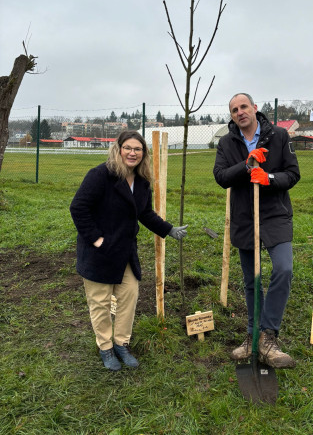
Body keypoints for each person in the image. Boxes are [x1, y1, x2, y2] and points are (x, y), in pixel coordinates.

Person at [70, 130, 187, 371]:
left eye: (138, 149)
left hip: (125, 252)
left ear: (143, 154)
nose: (133, 153)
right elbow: (78, 207)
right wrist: (96, 240)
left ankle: (121, 343)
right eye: (128, 148)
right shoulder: (101, 175)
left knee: (128, 298)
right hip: (99, 253)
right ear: (119, 149)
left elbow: (144, 213)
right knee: (100, 303)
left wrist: (169, 229)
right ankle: (105, 347)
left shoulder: (142, 181)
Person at [213, 93, 300, 368]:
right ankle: (252, 336)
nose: (240, 112)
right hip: (244, 217)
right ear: (232, 115)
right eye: (234, 109)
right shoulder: (227, 143)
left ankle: (268, 335)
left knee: (283, 269)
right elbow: (221, 177)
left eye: (244, 107)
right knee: (252, 281)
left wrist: (269, 177)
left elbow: (293, 174)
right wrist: (247, 164)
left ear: (254, 108)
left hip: (275, 215)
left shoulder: (278, 137)